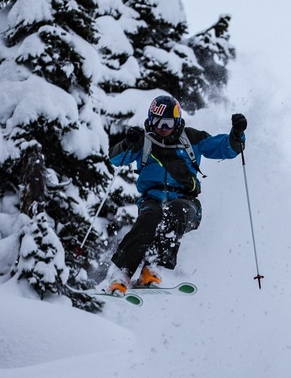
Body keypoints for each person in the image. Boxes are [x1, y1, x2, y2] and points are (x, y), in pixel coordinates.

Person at [102, 94, 247, 296]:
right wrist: (128, 143)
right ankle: (122, 273)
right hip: (152, 199)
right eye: (156, 122)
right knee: (150, 216)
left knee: (175, 210)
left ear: (177, 121)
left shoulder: (192, 138)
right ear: (149, 120)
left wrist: (237, 135)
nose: (162, 127)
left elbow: (225, 148)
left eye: (168, 122)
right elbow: (115, 159)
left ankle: (152, 266)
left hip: (187, 203)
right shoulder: (143, 141)